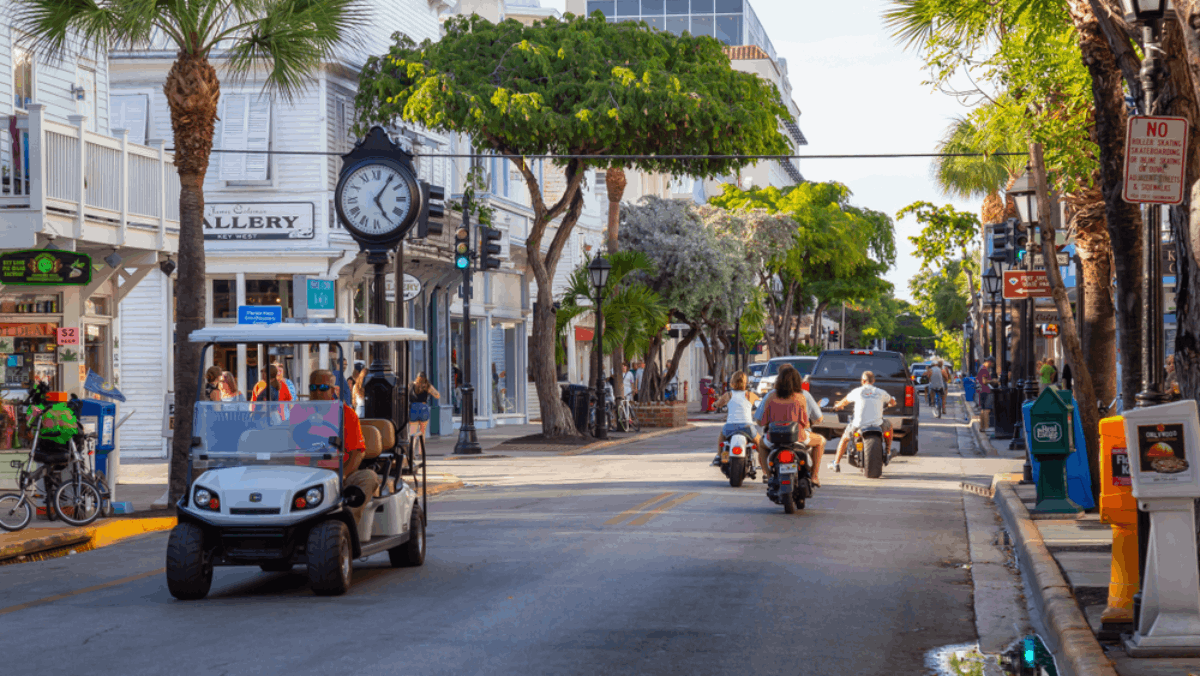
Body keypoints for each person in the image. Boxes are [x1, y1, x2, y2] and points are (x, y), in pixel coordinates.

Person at [294, 369, 377, 524]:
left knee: (368, 477)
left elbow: (357, 452)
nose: (317, 392)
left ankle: (346, 526)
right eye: (313, 388)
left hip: (337, 473)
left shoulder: (346, 413)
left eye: (323, 388)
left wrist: (342, 475)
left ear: (333, 390)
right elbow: (289, 440)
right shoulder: (298, 411)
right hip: (303, 473)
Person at [758, 366, 822, 487]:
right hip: (797, 437)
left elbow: (763, 421)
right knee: (821, 442)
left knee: (761, 445)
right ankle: (814, 476)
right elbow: (805, 423)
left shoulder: (771, 397)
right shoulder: (801, 398)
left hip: (774, 438)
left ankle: (768, 475)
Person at [829, 371, 896, 473]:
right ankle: (887, 451)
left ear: (863, 381)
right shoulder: (880, 392)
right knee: (889, 425)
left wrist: (837, 406)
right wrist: (891, 404)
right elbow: (893, 402)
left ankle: (836, 463)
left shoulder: (857, 391)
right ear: (873, 381)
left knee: (845, 439)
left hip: (858, 425)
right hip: (877, 425)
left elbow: (844, 401)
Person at [709, 370, 761, 469]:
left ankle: (719, 456)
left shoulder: (728, 395)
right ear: (746, 383)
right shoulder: (750, 395)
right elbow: (760, 404)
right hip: (747, 427)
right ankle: (765, 461)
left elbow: (719, 404)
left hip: (730, 427)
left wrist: (714, 404)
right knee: (760, 444)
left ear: (732, 382)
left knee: (722, 435)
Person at [409, 372, 441, 438]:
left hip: (413, 408)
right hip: (423, 408)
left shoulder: (411, 385)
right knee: (422, 433)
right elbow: (437, 395)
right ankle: (421, 448)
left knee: (412, 433)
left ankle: (411, 447)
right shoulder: (427, 386)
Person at [976, 358, 995, 430]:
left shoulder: (981, 367)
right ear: (989, 362)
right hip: (985, 390)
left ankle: (982, 427)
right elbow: (984, 381)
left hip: (981, 390)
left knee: (983, 409)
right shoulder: (984, 369)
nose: (992, 365)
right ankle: (987, 428)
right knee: (987, 410)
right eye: (992, 364)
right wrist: (993, 380)